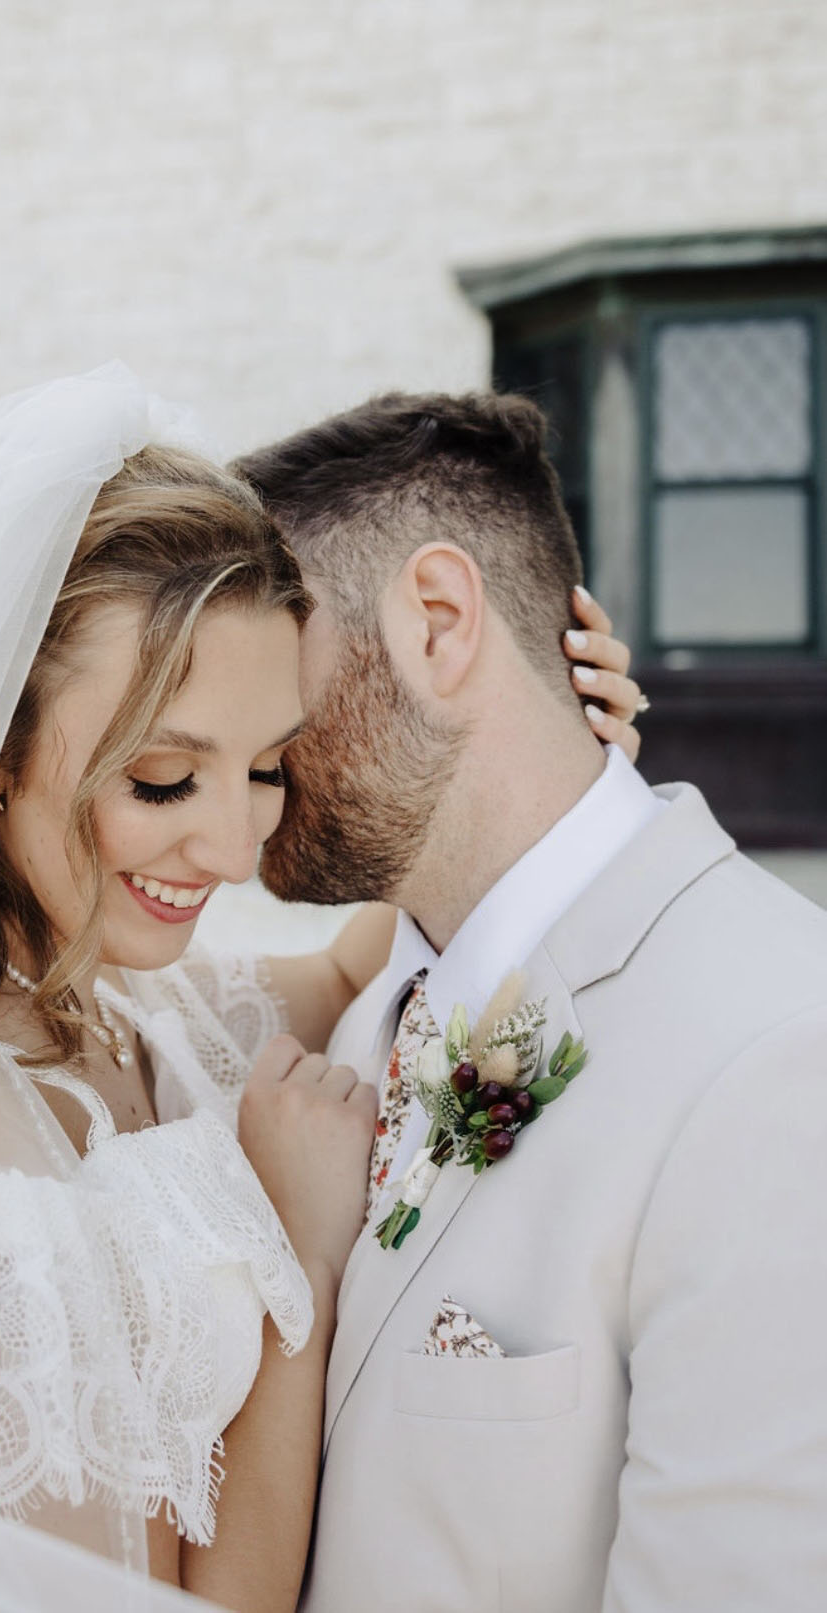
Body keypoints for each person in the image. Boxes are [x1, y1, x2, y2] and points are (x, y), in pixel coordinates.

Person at [0, 367, 641, 1613]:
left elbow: (354, 967)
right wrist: (299, 1277)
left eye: (265, 766)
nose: (231, 847)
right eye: (163, 779)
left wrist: (546, 747)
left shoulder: (127, 1012)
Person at [236, 388, 827, 1613]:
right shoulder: (364, 1013)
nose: (233, 729)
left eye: (264, 655)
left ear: (438, 623)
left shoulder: (779, 1055)